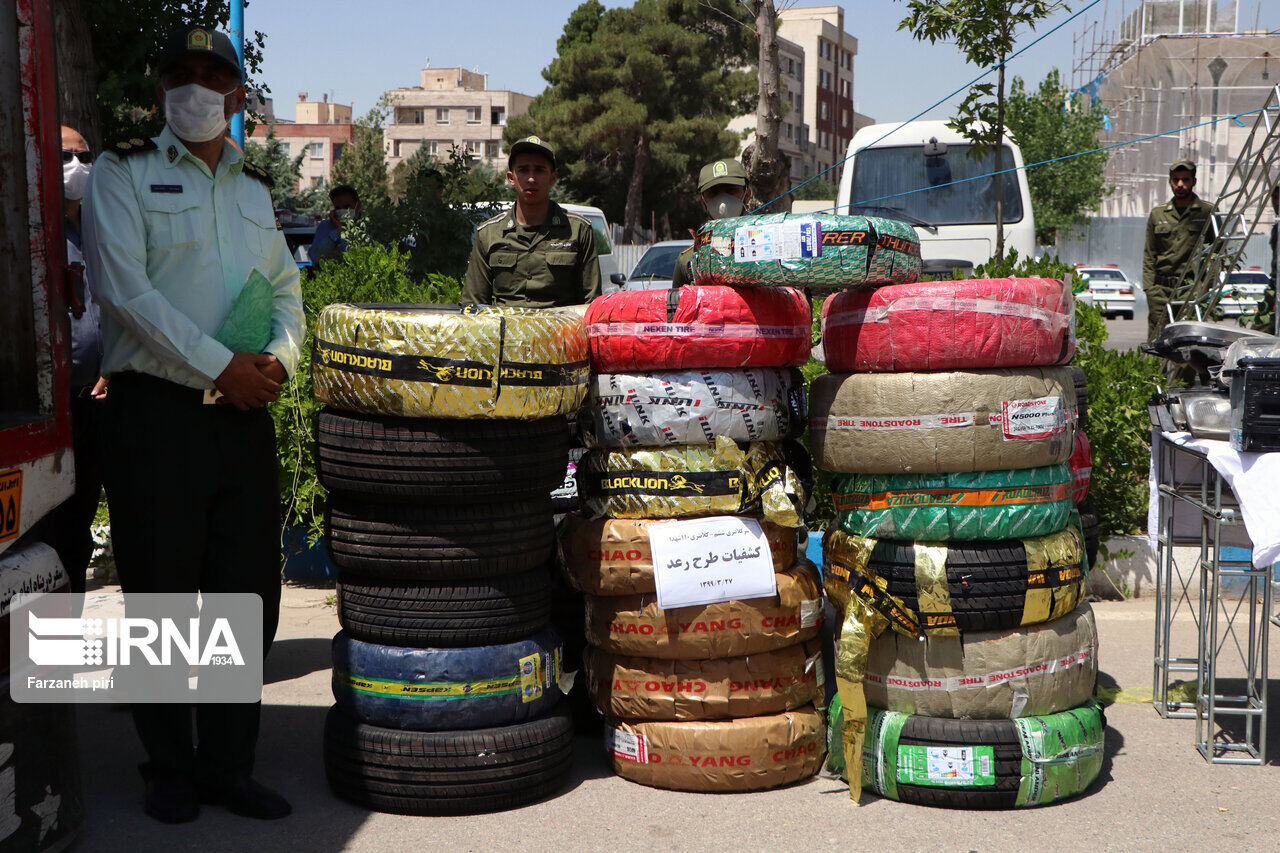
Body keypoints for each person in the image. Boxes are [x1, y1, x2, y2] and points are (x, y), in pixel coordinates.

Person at [81, 25, 303, 824]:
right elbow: (123, 290)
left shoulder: (252, 188)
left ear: (237, 96)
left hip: (242, 417)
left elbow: (285, 288)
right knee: (163, 597)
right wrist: (220, 364)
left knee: (247, 596)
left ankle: (228, 766)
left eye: (212, 75)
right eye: (180, 74)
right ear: (160, 90)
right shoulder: (121, 171)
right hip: (159, 415)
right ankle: (168, 766)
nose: (195, 88)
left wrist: (279, 359)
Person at [43, 126, 107, 595]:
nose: (76, 167)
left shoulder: (99, 230)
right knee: (47, 532)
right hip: (49, 410)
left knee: (78, 530)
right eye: (64, 156)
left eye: (84, 157)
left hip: (97, 403)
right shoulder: (35, 233)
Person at [463, 136, 600, 307]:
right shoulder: (489, 234)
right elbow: (474, 305)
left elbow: (592, 305)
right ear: (511, 177)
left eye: (540, 170)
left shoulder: (578, 230)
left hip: (559, 332)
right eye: (523, 170)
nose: (531, 178)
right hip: (506, 332)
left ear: (553, 178)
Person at [1143, 158, 1216, 341]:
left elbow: (1216, 253)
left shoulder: (1207, 213)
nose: (1180, 184)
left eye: (1185, 179)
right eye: (1176, 180)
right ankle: (1154, 371)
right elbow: (1149, 255)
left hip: (1190, 290)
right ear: (1170, 182)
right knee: (1156, 342)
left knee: (1189, 344)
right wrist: (1149, 289)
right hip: (1160, 291)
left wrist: (1207, 287)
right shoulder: (1158, 214)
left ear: (1194, 182)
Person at [670, 159, 750, 289]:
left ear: (747, 195)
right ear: (703, 202)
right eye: (713, 193)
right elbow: (679, 307)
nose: (723, 202)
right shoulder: (688, 261)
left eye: (731, 191)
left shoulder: (768, 249)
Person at [310, 183, 360, 263]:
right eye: (338, 208)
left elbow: (355, 258)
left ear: (358, 205)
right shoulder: (325, 226)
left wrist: (343, 233)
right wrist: (337, 231)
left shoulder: (367, 227)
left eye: (347, 207)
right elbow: (316, 257)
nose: (343, 210)